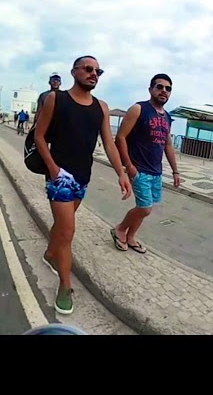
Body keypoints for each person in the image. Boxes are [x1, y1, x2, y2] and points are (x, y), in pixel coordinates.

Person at [33, 55, 131, 315]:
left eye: (98, 71)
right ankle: (65, 285)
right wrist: (53, 169)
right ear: (74, 72)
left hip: (83, 178)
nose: (93, 74)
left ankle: (49, 254)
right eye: (88, 69)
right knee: (68, 232)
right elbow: (39, 136)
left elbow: (109, 143)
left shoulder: (101, 107)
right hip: (60, 177)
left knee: (63, 227)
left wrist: (120, 172)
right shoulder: (57, 99)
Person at [111, 74, 180, 253]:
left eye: (168, 88)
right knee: (145, 207)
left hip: (156, 171)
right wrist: (129, 167)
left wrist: (175, 171)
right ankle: (119, 229)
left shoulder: (167, 117)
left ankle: (131, 236)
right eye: (159, 87)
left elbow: (168, 144)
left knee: (146, 206)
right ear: (150, 90)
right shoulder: (138, 109)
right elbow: (120, 137)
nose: (164, 91)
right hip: (139, 169)